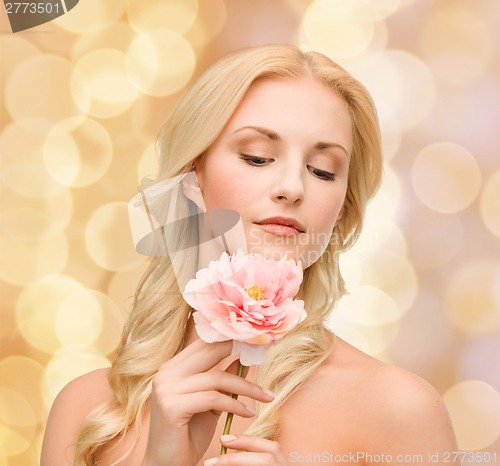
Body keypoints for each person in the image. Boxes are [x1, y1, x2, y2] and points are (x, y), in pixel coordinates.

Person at [41, 44, 458, 466]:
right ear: (193, 173)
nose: (293, 187)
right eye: (257, 157)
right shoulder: (88, 412)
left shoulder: (398, 410)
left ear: (343, 207)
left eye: (323, 170)